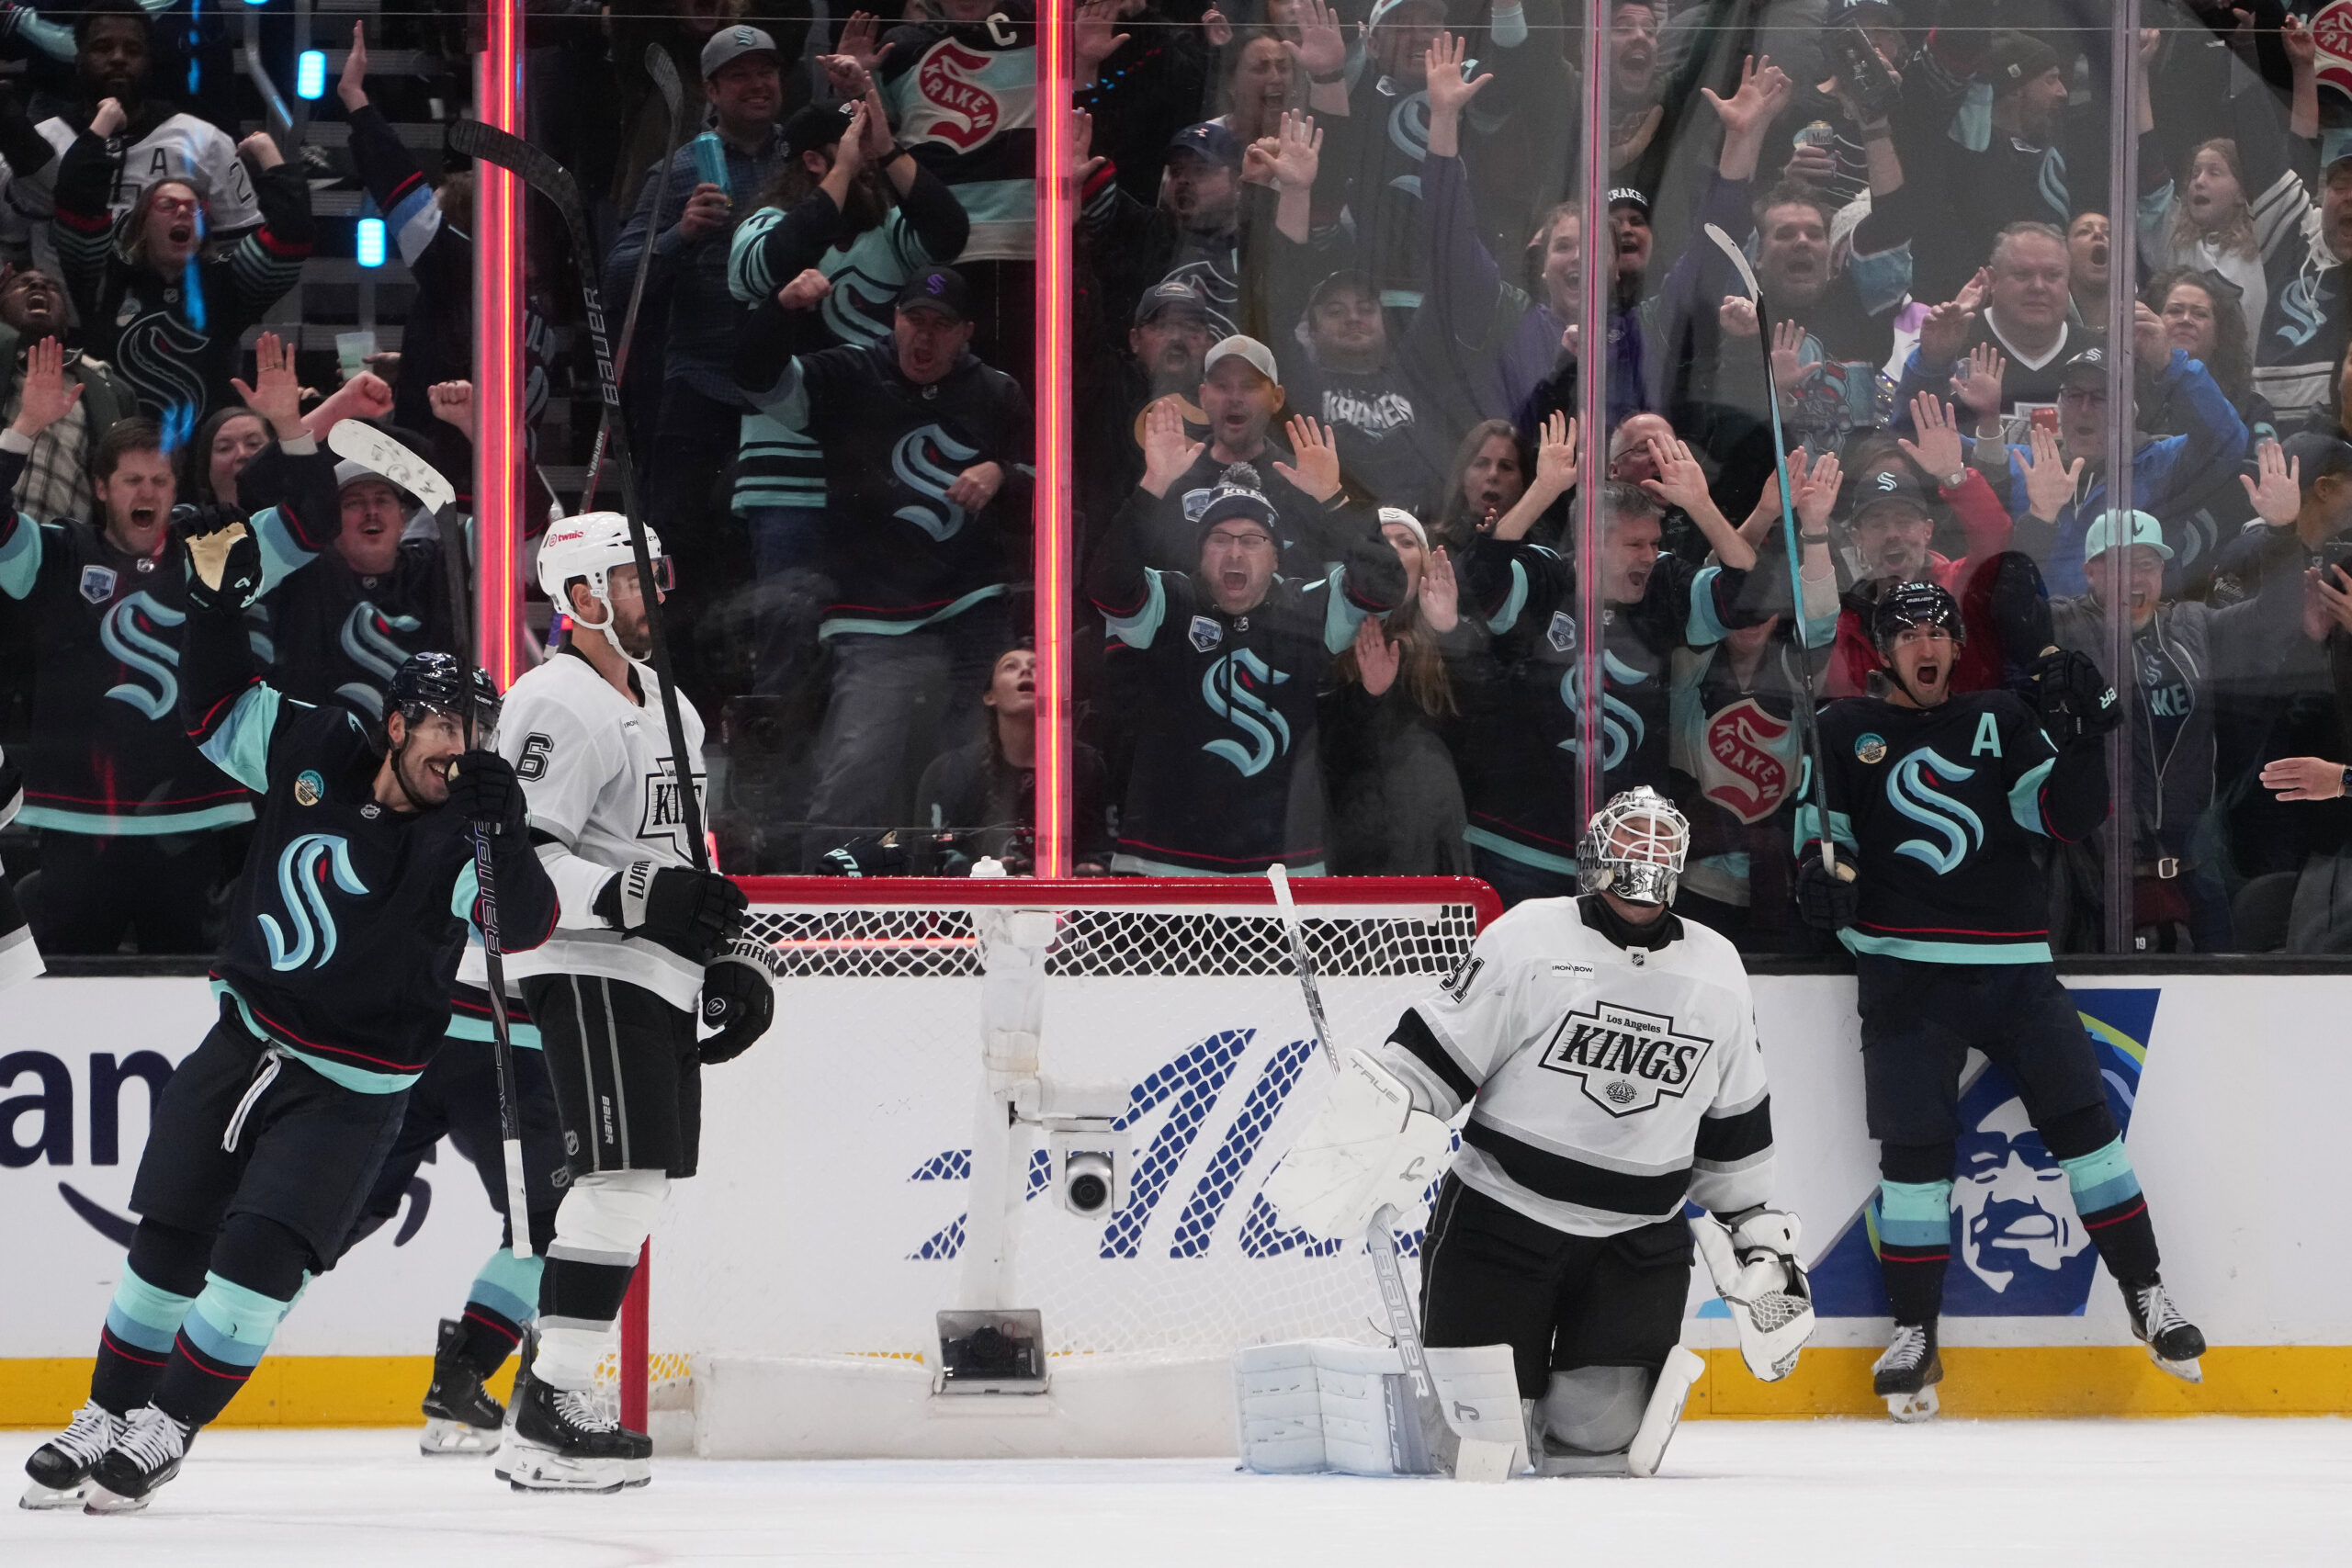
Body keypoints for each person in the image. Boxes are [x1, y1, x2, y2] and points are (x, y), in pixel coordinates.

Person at [17, 528, 555, 1508]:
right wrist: (220, 612)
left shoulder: (464, 835)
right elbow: (213, 709)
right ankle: (104, 1413)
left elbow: (521, 926)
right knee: (166, 1241)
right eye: (445, 727)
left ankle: (167, 1428)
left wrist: (505, 829)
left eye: (479, 733)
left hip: (350, 1092)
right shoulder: (316, 747)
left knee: (258, 1259)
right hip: (243, 1042)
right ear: (396, 725)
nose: (461, 749)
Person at [1261, 786, 1809, 1476]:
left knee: (1599, 1436)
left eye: (1660, 841)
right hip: (1502, 1226)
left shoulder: (1717, 968)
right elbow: (1433, 1062)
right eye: (1631, 837)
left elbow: (1734, 1134)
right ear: (1598, 853)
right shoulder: (1530, 938)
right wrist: (1372, 1125)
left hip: (1635, 1248)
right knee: (1480, 1446)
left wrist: (1764, 1250)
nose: (1646, 853)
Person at [1795, 581, 2205, 1420]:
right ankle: (1915, 1332)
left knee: (2090, 1135)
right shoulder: (1842, 728)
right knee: (1913, 1163)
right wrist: (1820, 878)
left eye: (1940, 628)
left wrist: (2089, 741)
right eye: (1909, 633)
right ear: (1881, 650)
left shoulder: (2001, 719)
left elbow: (2061, 816)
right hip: (1905, 974)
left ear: (1957, 643)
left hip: (2014, 968)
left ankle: (2146, 1292)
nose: (1928, 643)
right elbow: (1822, 835)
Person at [489, 513, 766, 1492]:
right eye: (633, 578)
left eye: (655, 574)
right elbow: (511, 861)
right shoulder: (553, 704)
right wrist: (641, 898)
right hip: (587, 961)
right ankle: (550, 1407)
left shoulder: (668, 703)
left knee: (635, 1184)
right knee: (618, 1180)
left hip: (656, 971)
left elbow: (687, 854)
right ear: (582, 598)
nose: (655, 593)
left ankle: (548, 1401)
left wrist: (728, 950)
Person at [0, 343, 334, 954]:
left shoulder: (212, 546)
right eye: (131, 480)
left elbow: (314, 520)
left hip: (192, 821)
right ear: (101, 488)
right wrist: (24, 428)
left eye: (159, 478)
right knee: (66, 1001)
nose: (147, 491)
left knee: (191, 999)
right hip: (78, 823)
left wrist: (290, 426)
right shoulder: (56, 554)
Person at [736, 264, 1033, 867]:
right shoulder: (851, 373)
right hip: (872, 613)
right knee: (858, 766)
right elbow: (757, 380)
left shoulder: (998, 392)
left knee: (983, 761)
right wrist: (779, 311)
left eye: (941, 326)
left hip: (970, 604)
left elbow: (1046, 487)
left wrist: (1001, 472)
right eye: (913, 320)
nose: (924, 338)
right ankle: (828, 905)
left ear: (967, 331)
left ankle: (983, 894)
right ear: (893, 320)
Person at [1088, 407, 1402, 876]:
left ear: (1277, 555)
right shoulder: (1171, 601)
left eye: (1252, 540)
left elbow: (1385, 585)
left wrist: (1333, 500)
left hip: (1282, 876)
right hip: (1161, 866)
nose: (1234, 552)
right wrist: (1153, 484)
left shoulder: (1309, 609)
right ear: (1200, 552)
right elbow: (1106, 584)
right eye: (1219, 539)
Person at [606, 22, 797, 716]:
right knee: (676, 555)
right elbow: (618, 275)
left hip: (784, 391)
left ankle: (766, 711)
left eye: (767, 70)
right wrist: (680, 235)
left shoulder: (804, 155)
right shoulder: (683, 168)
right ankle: (673, 708)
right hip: (701, 388)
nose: (758, 84)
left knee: (770, 557)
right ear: (712, 90)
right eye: (740, 75)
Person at [53, 98, 311, 438]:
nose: (183, 213)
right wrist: (102, 124)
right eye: (167, 204)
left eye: (195, 208)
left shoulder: (228, 283)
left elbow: (293, 231)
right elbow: (75, 198)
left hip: (205, 457)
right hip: (118, 455)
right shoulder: (105, 276)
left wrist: (265, 151)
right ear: (142, 222)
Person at [913, 642, 1113, 874]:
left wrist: (1085, 869)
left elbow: (1106, 850)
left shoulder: (1087, 766)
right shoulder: (949, 771)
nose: (1026, 671)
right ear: (990, 696)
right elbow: (929, 860)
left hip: (1064, 906)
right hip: (979, 908)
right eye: (1010, 667)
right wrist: (985, 873)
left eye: (1037, 667)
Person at [0, 265, 130, 526]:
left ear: (66, 319)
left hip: (63, 554)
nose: (38, 287)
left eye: (52, 287)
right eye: (22, 284)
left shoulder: (111, 389)